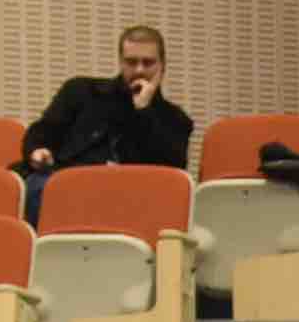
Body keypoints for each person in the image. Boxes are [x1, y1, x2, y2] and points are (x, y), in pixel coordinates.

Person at [18, 23, 187, 214]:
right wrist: (37, 151)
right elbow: (42, 131)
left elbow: (170, 177)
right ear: (121, 63)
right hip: (68, 182)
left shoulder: (176, 120)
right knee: (39, 187)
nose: (139, 70)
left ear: (162, 66)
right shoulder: (81, 91)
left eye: (148, 63)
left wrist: (143, 111)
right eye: (131, 62)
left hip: (129, 199)